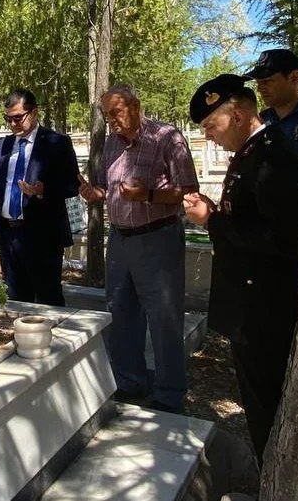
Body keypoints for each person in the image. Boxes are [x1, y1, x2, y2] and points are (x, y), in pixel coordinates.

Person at [183, 74, 298, 465]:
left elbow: (281, 239)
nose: (209, 136)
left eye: (210, 125)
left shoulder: (273, 156)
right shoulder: (254, 152)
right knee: (259, 407)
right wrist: (217, 213)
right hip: (252, 305)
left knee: (267, 410)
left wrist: (212, 222)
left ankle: (274, 479)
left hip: (265, 310)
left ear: (237, 114)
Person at [78, 85, 199, 413]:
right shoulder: (112, 143)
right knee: (121, 313)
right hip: (119, 240)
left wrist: (148, 195)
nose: (111, 120)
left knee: (164, 318)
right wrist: (94, 192)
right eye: (107, 114)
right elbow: (107, 187)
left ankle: (170, 394)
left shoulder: (167, 138)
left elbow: (189, 192)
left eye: (116, 112)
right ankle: (130, 382)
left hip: (157, 239)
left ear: (135, 106)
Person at [0, 89, 79, 306]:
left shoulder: (56, 143)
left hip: (43, 236)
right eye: (8, 119)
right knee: (15, 301)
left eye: (17, 118)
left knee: (48, 299)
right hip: (9, 235)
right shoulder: (3, 145)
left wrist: (43, 190)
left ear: (34, 113)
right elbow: (0, 185)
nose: (12, 124)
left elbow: (72, 185)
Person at [244, 48, 298, 170]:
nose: (260, 89)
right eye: (258, 82)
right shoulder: (260, 121)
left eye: (266, 81)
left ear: (294, 78)